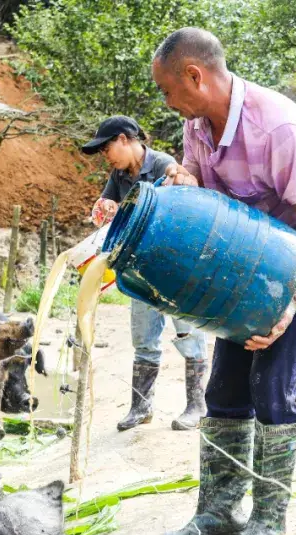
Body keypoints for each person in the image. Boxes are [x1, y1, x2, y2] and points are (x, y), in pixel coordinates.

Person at [151, 28, 296, 535]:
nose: (165, 101)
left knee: (272, 390)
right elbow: (209, 194)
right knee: (226, 390)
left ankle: (267, 519)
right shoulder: (197, 124)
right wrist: (185, 177)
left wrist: (291, 304)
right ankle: (218, 512)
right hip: (248, 270)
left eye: (168, 89)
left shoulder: (279, 125)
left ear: (195, 75)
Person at [81, 116, 209, 433]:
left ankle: (197, 406)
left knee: (188, 334)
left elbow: (179, 213)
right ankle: (141, 407)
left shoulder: (165, 165)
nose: (105, 156)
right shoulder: (119, 174)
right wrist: (106, 206)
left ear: (125, 139)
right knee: (144, 339)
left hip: (176, 266)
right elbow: (110, 204)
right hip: (139, 267)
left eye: (107, 147)